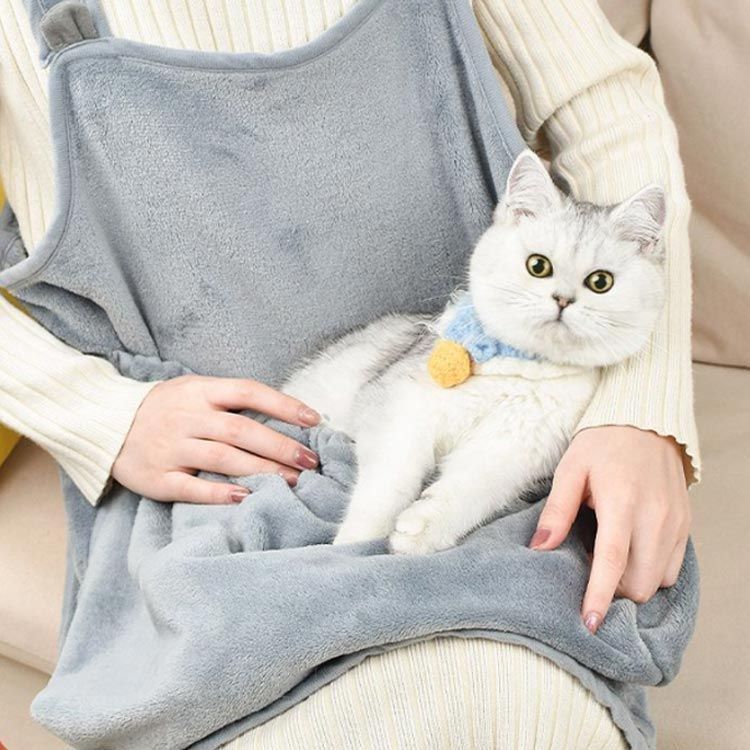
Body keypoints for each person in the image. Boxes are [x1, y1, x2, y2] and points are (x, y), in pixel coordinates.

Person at [0, 0, 699, 747]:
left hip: (503, 422)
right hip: (212, 470)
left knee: (524, 713)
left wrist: (638, 405)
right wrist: (100, 415)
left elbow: (606, 108)